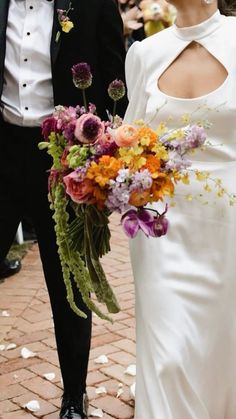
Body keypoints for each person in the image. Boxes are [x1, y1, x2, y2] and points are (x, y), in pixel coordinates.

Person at [0, 1, 127, 418]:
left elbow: (114, 79)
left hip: (63, 159)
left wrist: (99, 159)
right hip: (3, 151)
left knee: (69, 281)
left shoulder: (91, 3)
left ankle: (74, 396)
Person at [124, 0, 236, 417]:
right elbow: (130, 137)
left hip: (228, 228)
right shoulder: (145, 54)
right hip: (161, 228)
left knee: (224, 352)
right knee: (167, 355)